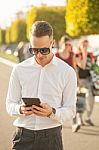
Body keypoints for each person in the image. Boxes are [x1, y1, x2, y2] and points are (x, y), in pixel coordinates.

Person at [6, 21, 77, 150]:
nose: (38, 55)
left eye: (44, 50)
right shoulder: (19, 69)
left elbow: (70, 110)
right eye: (34, 50)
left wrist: (52, 112)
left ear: (52, 43)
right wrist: (20, 109)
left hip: (51, 138)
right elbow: (10, 104)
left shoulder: (67, 72)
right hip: (23, 137)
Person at [72, 39, 96, 132]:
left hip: (90, 80)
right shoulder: (77, 55)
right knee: (81, 100)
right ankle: (79, 120)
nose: (85, 47)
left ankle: (88, 117)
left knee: (91, 99)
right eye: (83, 45)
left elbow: (93, 66)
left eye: (87, 45)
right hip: (81, 80)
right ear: (80, 45)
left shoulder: (91, 55)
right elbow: (82, 66)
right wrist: (84, 53)